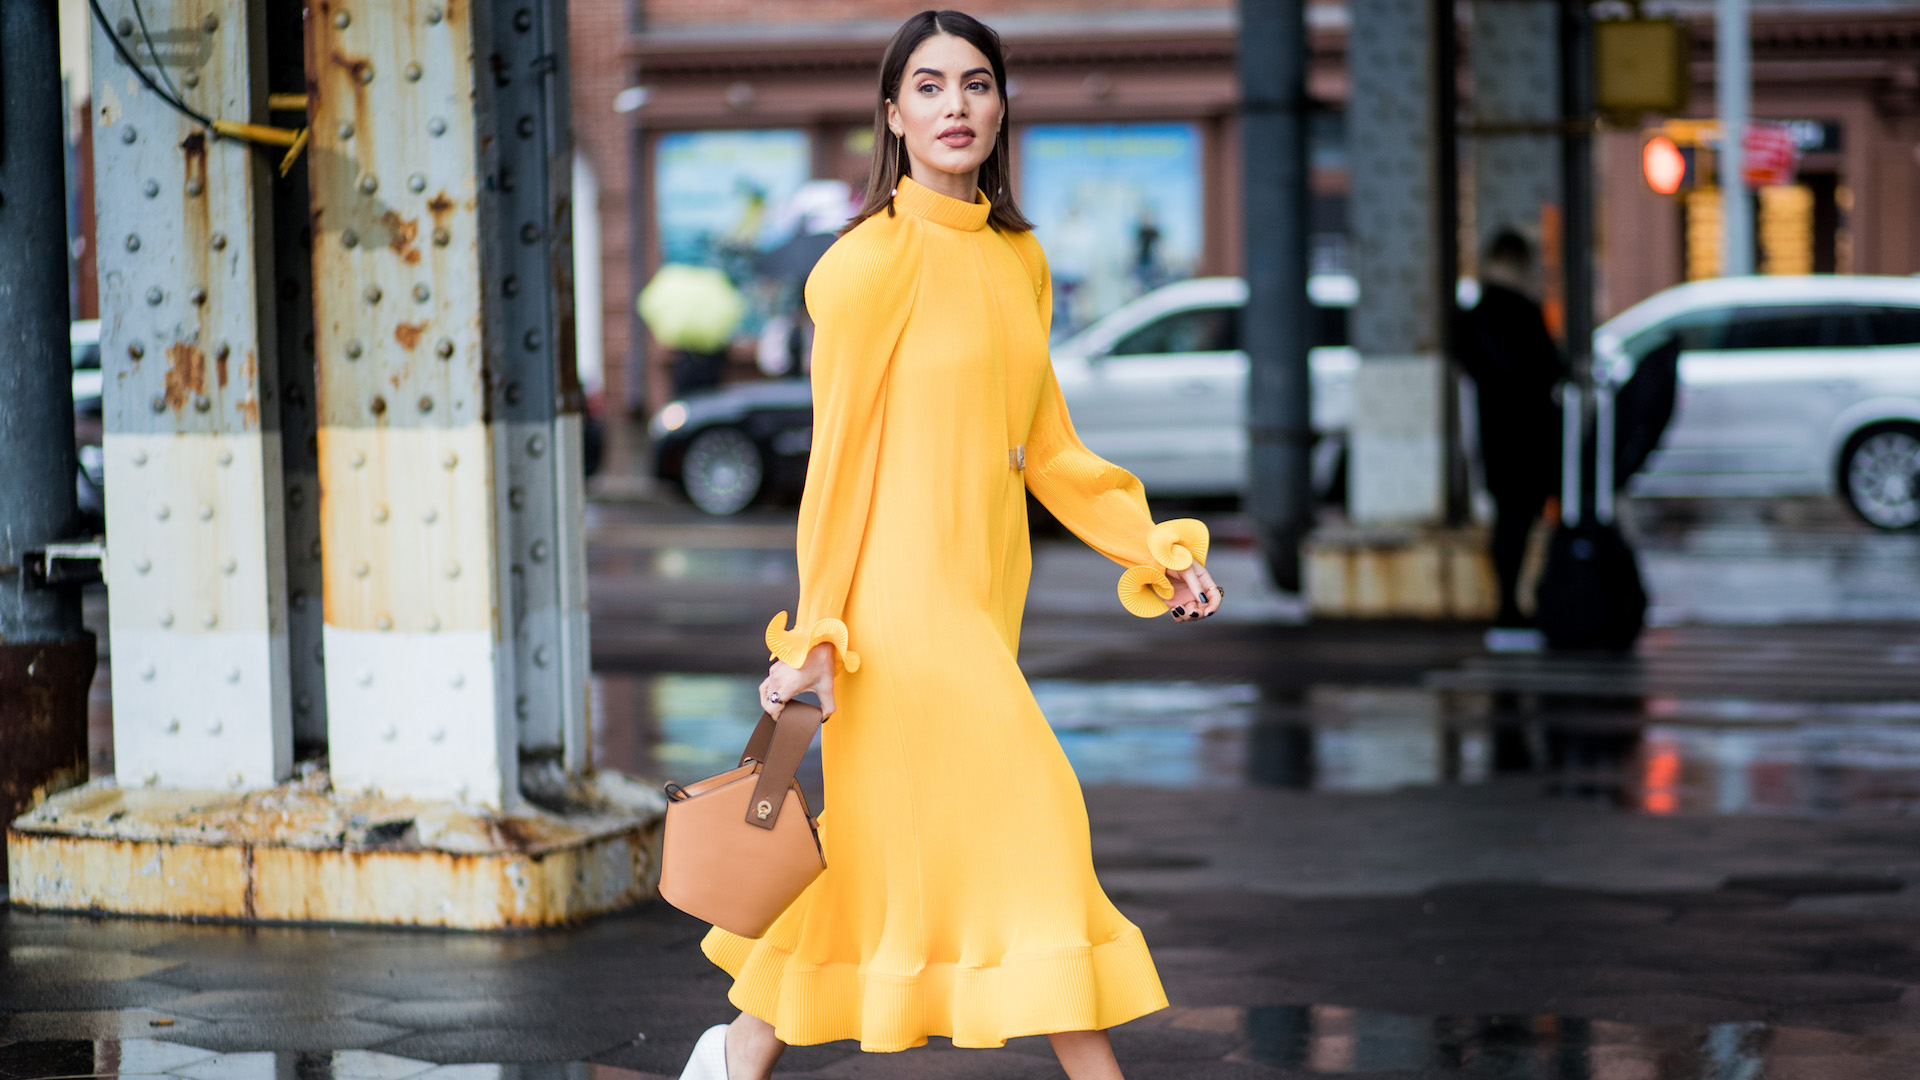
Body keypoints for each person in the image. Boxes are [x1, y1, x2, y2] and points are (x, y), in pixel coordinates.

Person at [676, 11, 1223, 1080]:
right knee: (1039, 822)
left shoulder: (1019, 259)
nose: (954, 106)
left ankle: (739, 1053)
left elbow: (1051, 448)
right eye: (927, 88)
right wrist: (818, 631)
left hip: (977, 603)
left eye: (975, 84)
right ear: (892, 115)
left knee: (877, 853)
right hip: (893, 617)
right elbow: (834, 471)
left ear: (1003, 104)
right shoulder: (864, 266)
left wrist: (1149, 545)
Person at [1457, 229, 1567, 644]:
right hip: (1529, 432)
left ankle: (1507, 604)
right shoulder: (1522, 311)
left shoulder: (1475, 316)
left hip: (1495, 432)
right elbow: (1549, 368)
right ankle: (1510, 608)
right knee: (1519, 521)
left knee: (1509, 521)